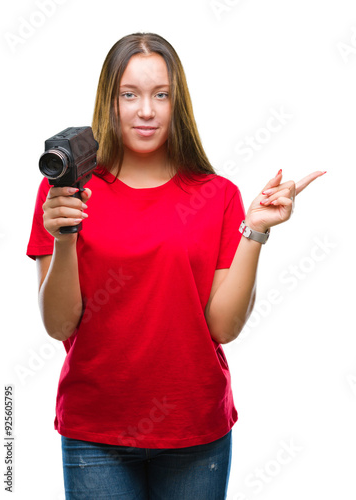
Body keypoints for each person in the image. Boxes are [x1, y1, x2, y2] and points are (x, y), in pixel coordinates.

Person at [26, 32, 325, 500]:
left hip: (195, 432)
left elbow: (223, 327)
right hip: (95, 430)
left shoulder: (217, 195)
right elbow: (58, 323)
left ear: (176, 103)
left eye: (160, 95)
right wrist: (65, 238)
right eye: (130, 95)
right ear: (110, 100)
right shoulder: (66, 194)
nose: (146, 110)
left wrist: (256, 229)